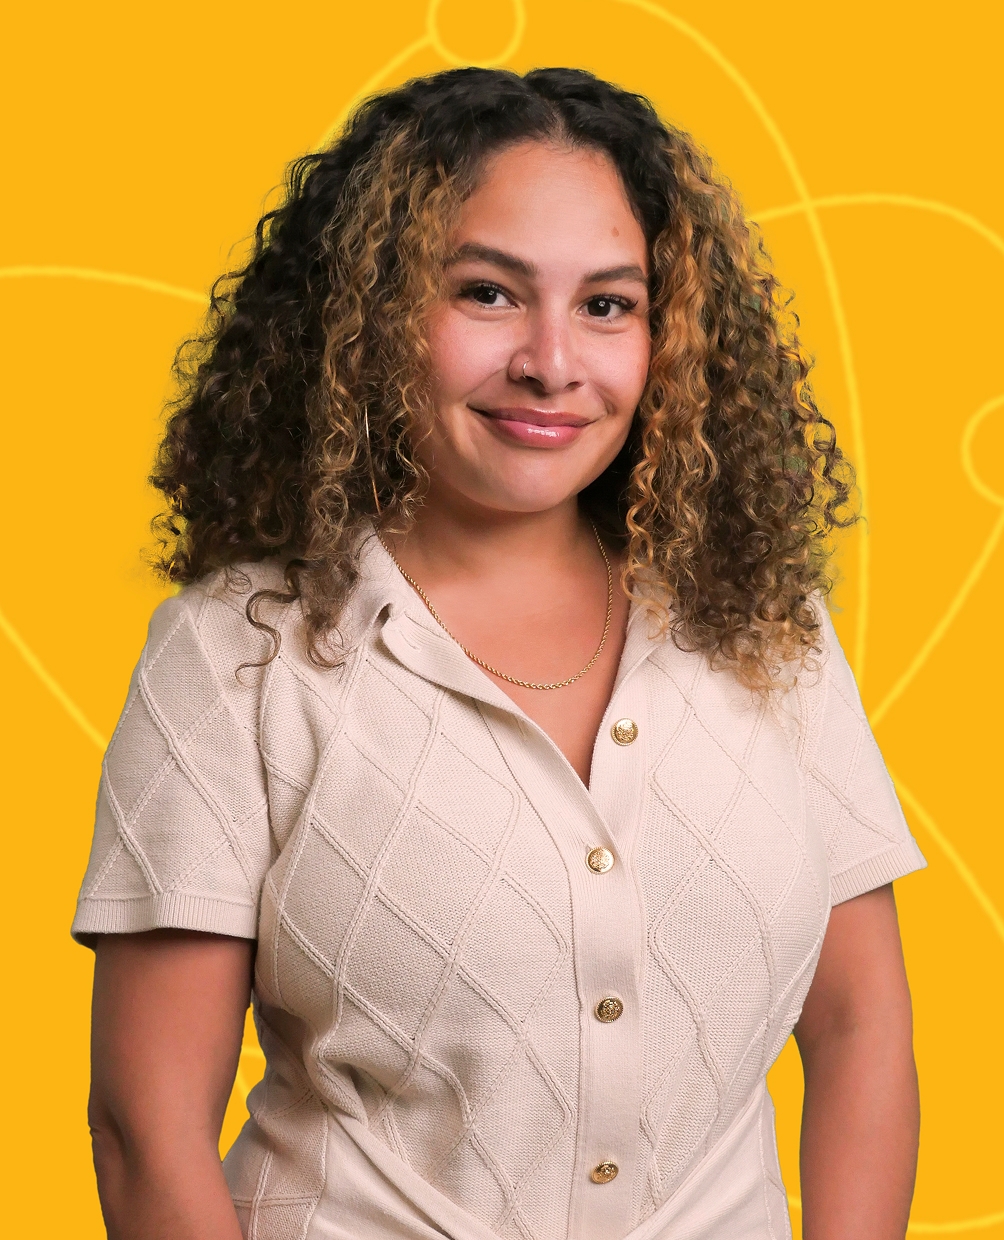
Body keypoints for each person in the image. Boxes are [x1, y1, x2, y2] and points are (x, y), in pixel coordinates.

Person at [74, 67, 926, 1240]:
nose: (550, 361)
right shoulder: (237, 653)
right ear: (370, 313)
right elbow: (144, 1126)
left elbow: (858, 1025)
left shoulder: (762, 623)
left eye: (607, 305)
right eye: (486, 292)